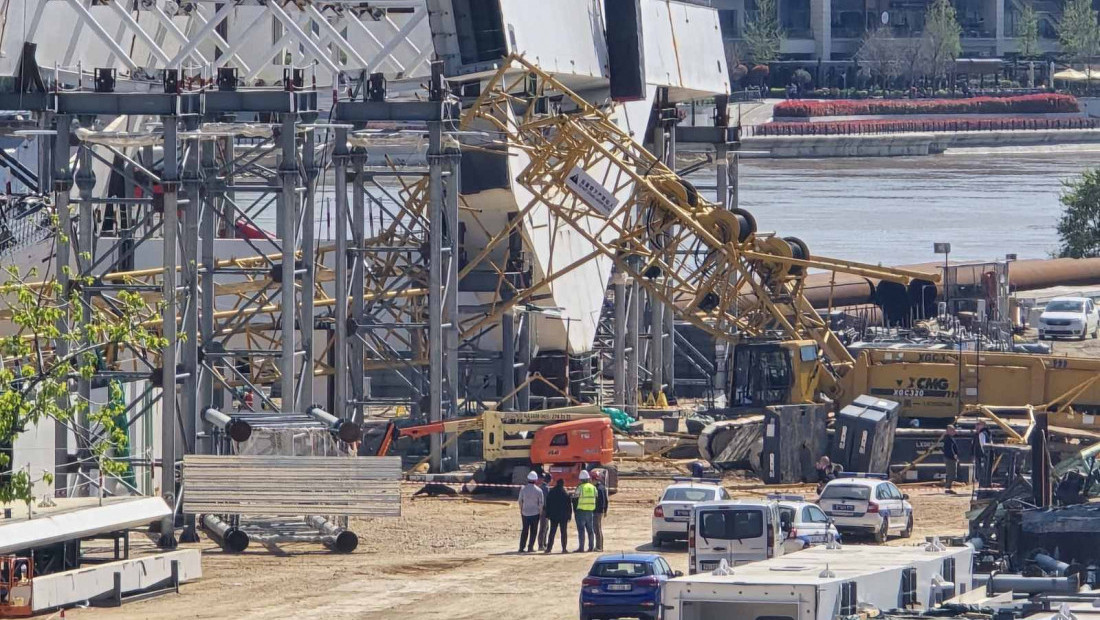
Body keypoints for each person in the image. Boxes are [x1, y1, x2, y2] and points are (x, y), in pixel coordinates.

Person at [517, 470, 544, 553]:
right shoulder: (539, 491)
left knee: (525, 530)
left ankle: (521, 547)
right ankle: (530, 547)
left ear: (528, 479)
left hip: (525, 513)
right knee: (533, 531)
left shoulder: (523, 489)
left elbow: (520, 501)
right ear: (536, 480)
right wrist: (540, 512)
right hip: (535, 513)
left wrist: (521, 510)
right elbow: (541, 503)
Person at [544, 478, 572, 554]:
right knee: (564, 533)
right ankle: (564, 549)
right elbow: (569, 506)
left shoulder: (552, 492)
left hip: (553, 516)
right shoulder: (565, 492)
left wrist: (547, 514)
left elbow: (548, 503)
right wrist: (569, 515)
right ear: (563, 484)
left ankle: (549, 549)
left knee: (552, 532)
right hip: (563, 516)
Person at [574, 469, 597, 553]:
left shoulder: (580, 488)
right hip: (590, 511)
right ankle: (591, 547)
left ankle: (581, 548)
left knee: (581, 530)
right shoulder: (593, 487)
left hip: (581, 511)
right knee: (590, 530)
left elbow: (575, 497)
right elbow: (596, 496)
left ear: (581, 479)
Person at [593, 470, 609, 552]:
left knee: (597, 529)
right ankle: (599, 546)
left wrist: (603, 510)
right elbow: (606, 500)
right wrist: (605, 510)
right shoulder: (602, 487)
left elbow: (602, 501)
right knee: (598, 528)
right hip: (600, 511)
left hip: (597, 511)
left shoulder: (598, 489)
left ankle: (599, 547)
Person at [972, 420, 992, 488]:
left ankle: (983, 485)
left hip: (981, 455)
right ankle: (986, 484)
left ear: (983, 425)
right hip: (985, 455)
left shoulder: (982, 434)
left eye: (978, 424)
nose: (976, 426)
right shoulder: (987, 433)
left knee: (982, 471)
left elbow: (983, 445)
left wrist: (984, 454)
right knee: (985, 471)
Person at [943, 425, 960, 495]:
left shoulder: (950, 438)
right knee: (951, 474)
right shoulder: (948, 439)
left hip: (950, 458)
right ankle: (948, 488)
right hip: (950, 458)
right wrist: (954, 456)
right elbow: (950, 448)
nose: (954, 431)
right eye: (952, 430)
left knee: (951, 474)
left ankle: (948, 488)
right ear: (948, 431)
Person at [537, 472, 551, 551]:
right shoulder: (546, 488)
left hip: (540, 509)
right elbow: (548, 500)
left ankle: (543, 543)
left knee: (545, 527)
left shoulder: (540, 487)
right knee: (543, 527)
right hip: (544, 510)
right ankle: (541, 545)